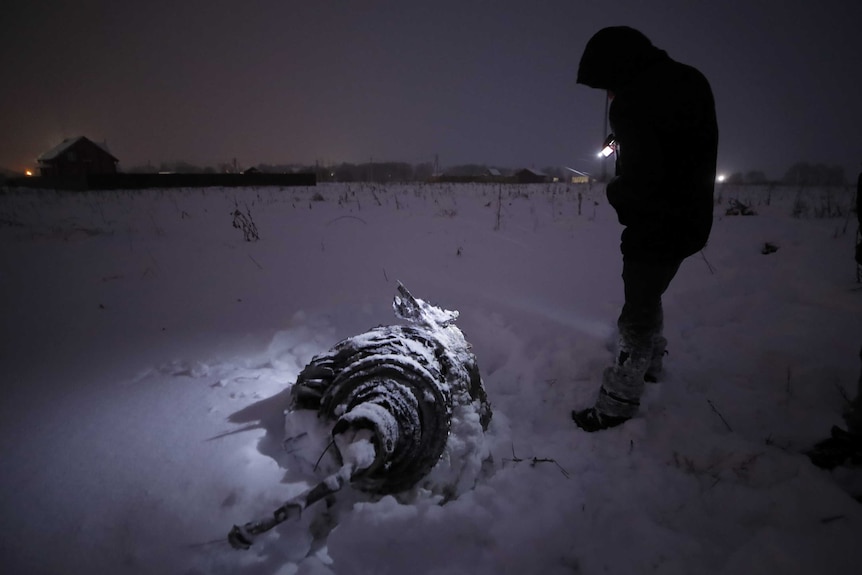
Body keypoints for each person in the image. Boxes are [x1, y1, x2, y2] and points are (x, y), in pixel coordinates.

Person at [572, 27, 719, 431]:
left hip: (654, 223)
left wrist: (618, 193)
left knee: (636, 309)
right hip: (692, 218)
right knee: (649, 292)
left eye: (606, 85)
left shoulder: (634, 101)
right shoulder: (690, 80)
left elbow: (643, 176)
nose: (607, 96)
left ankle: (618, 401)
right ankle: (652, 364)